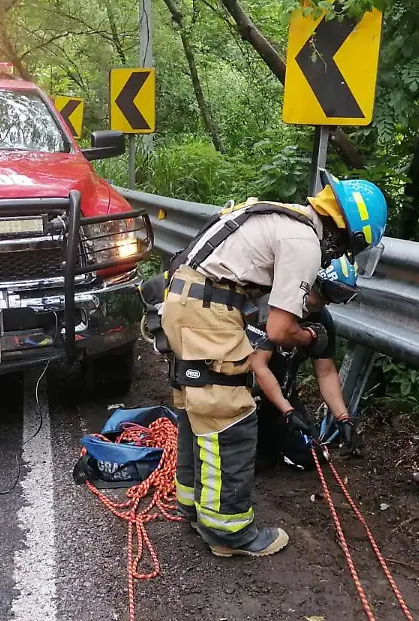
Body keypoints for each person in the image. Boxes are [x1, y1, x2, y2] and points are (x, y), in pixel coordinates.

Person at [162, 175, 387, 558]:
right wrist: (309, 338)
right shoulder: (304, 243)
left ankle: (191, 503)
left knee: (196, 404)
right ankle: (228, 532)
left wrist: (343, 416)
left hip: (182, 299)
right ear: (346, 233)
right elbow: (281, 330)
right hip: (209, 308)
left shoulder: (281, 218)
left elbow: (323, 369)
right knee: (229, 414)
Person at [248, 255, 362, 472]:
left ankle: (271, 435)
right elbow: (259, 367)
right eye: (324, 294)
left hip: (281, 395)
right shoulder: (269, 307)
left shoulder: (321, 318)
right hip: (248, 390)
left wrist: (343, 418)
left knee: (310, 458)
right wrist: (288, 411)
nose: (326, 302)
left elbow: (326, 372)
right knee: (253, 463)